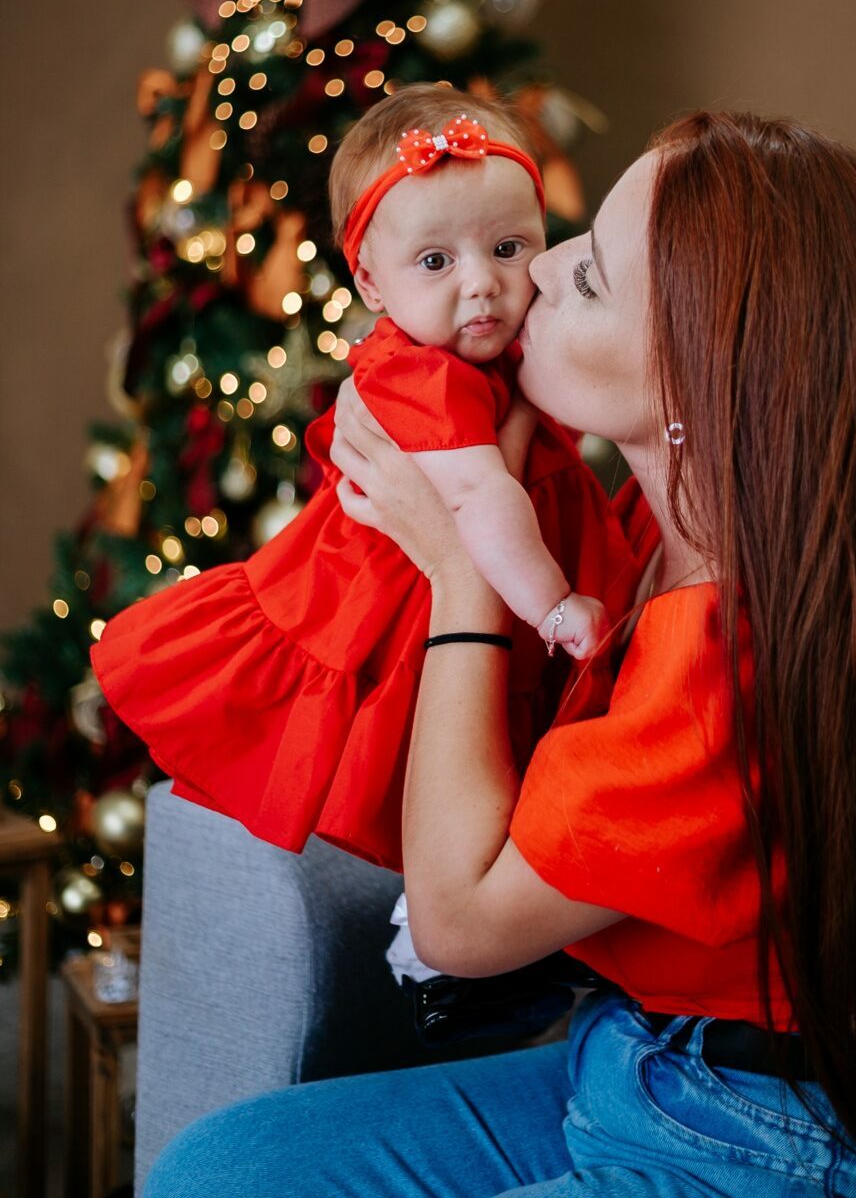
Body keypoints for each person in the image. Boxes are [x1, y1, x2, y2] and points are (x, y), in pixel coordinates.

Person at [143, 110, 856, 1197]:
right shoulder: (646, 531)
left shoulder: (724, 666)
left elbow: (459, 921)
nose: (534, 271)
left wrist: (461, 570)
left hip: (756, 1130)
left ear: (700, 377)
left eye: (585, 278)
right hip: (630, 1053)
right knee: (222, 1166)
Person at [92, 85, 639, 870]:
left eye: (508, 247)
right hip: (427, 606)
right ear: (373, 287)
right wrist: (554, 608)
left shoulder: (501, 343)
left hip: (502, 593)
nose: (481, 282)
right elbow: (482, 498)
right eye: (435, 261)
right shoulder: (421, 377)